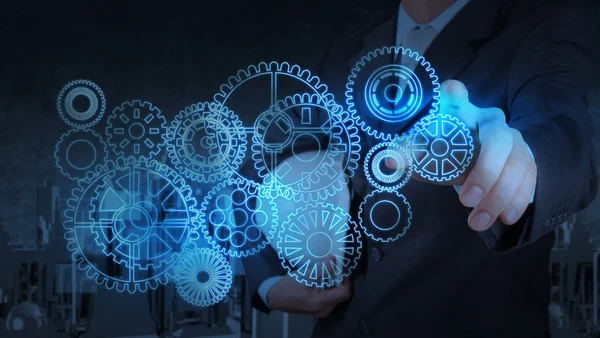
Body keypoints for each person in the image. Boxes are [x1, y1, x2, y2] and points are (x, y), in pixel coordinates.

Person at [241, 0, 598, 336]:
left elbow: (562, 136)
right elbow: (273, 167)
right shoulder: (347, 47)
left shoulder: (539, 26)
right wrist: (271, 283)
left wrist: (520, 169)